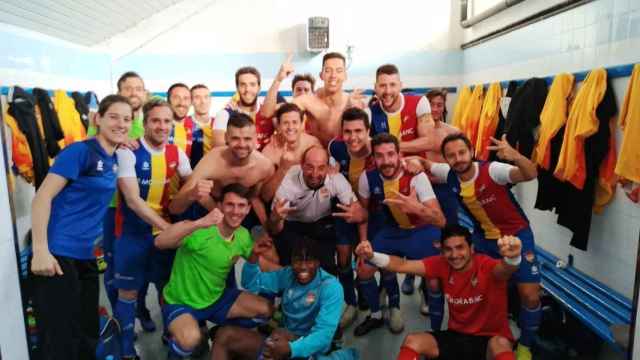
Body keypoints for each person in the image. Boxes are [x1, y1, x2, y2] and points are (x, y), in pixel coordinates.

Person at [417, 133, 541, 360]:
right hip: (483, 241)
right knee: (473, 287)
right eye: (451, 156)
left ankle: (525, 346)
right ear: (446, 159)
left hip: (516, 237)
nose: (458, 159)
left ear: (471, 151)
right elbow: (427, 164)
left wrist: (516, 156)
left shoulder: (493, 171)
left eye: (462, 153)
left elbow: (530, 173)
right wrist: (415, 162)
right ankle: (478, 336)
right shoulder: (450, 173)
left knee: (530, 296)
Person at [30, 95, 133, 360]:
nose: (120, 124)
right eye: (114, 117)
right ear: (98, 119)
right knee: (59, 340)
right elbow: (42, 197)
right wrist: (41, 249)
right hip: (57, 255)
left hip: (85, 256)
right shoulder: (80, 152)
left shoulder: (114, 158)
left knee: (86, 333)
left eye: (127, 119)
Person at [355, 224, 520, 360]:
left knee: (501, 344)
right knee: (413, 341)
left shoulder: (486, 265)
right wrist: (372, 255)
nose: (454, 255)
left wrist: (512, 258)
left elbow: (505, 270)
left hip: (490, 340)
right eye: (448, 249)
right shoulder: (440, 263)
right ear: (442, 251)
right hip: (457, 336)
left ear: (472, 248)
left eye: (460, 248)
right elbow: (401, 265)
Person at [112, 99, 193, 359]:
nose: (161, 126)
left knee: (166, 288)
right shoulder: (127, 152)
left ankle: (171, 335)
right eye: (155, 120)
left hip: (163, 235)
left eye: (166, 121)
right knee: (128, 292)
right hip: (132, 234)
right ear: (144, 123)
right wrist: (169, 227)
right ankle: (126, 349)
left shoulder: (177, 153)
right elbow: (133, 201)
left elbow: (193, 186)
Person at [156, 184, 275, 358]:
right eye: (230, 205)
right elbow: (159, 242)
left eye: (241, 206)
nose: (235, 211)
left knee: (265, 309)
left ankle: (222, 333)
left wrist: (257, 254)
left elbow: (251, 258)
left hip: (216, 299)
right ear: (219, 206)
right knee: (189, 340)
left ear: (248, 208)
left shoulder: (242, 235)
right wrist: (198, 223)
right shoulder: (200, 230)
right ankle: (175, 343)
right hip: (180, 302)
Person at [354, 133, 445, 336]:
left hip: (422, 230)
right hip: (392, 231)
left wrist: (417, 208)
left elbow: (440, 220)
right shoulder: (367, 178)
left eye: (390, 154)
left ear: (399, 154)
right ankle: (378, 314)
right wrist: (363, 243)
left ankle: (436, 332)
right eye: (379, 156)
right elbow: (363, 214)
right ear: (373, 158)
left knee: (434, 281)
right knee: (364, 270)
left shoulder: (416, 176)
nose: (386, 161)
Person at [211, 236, 344, 360]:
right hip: (281, 340)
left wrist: (291, 349)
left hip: (309, 350)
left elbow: (323, 336)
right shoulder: (287, 274)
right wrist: (253, 258)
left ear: (318, 262)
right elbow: (252, 283)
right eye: (298, 260)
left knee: (275, 341)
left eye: (309, 260)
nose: (303, 267)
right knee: (224, 334)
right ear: (291, 261)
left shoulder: (331, 287)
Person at [401, 89, 460, 317]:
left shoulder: (452, 133)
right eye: (431, 104)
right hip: (419, 188)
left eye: (439, 105)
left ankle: (433, 289)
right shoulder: (414, 136)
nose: (435, 109)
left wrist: (432, 171)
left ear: (443, 107)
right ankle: (411, 273)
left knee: (445, 236)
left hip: (444, 190)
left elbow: (459, 166)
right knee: (419, 236)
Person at [268, 146, 366, 275]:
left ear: (328, 167)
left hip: (322, 224)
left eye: (321, 168)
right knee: (291, 271)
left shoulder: (335, 178)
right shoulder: (288, 183)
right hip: (293, 225)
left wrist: (357, 214)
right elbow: (274, 229)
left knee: (326, 272)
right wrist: (276, 218)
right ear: (302, 165)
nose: (314, 174)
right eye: (309, 167)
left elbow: (363, 214)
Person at [169, 112, 274, 227]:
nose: (242, 144)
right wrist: (192, 194)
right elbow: (174, 208)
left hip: (241, 214)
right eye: (235, 138)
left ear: (255, 140)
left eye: (247, 139)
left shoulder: (264, 167)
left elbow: (255, 198)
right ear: (226, 138)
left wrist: (266, 228)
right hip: (209, 210)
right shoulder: (212, 161)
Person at [328, 107, 376, 328]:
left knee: (370, 259)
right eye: (347, 131)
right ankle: (351, 302)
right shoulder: (335, 147)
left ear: (368, 131)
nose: (353, 137)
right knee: (344, 258)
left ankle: (378, 301)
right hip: (344, 211)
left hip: (374, 212)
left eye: (358, 130)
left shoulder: (380, 150)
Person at [366, 64, 433, 156]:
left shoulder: (419, 102)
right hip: (385, 168)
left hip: (415, 167)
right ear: (375, 87)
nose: (388, 91)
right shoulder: (370, 112)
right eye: (382, 85)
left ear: (400, 86)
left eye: (393, 85)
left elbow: (429, 142)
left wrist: (389, 145)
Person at [260, 103, 322, 202]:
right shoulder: (269, 153)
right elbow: (265, 196)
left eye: (295, 122)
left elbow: (325, 179)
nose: (290, 127)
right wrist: (283, 170)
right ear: (278, 126)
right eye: (285, 123)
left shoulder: (312, 143)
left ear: (302, 125)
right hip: (282, 207)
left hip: (311, 202)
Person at [215, 66, 275, 150]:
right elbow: (219, 152)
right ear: (237, 88)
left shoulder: (270, 113)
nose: (247, 89)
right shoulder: (224, 115)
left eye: (252, 84)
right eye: (243, 85)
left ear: (259, 88)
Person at [167, 83, 210, 168]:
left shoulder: (197, 130)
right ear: (168, 100)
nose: (181, 102)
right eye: (176, 97)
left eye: (185, 98)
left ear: (190, 102)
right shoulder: (156, 126)